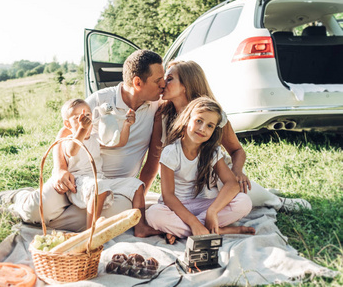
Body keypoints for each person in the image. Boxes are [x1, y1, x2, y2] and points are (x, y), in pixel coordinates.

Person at [0, 49, 166, 235]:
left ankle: (41, 219)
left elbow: (153, 159)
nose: (163, 85)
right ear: (138, 82)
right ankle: (20, 199)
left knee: (120, 213)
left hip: (114, 186)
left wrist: (136, 197)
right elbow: (65, 131)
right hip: (78, 178)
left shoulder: (156, 108)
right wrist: (60, 169)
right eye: (157, 80)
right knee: (37, 208)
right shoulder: (100, 100)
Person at [150, 60, 311, 211]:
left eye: (169, 79)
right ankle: (262, 193)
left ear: (186, 85)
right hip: (182, 186)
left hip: (215, 181)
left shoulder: (214, 116)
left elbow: (237, 150)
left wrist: (237, 171)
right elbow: (155, 159)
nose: (163, 83)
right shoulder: (162, 116)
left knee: (241, 193)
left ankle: (277, 202)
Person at [146, 97, 255, 244]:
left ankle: (183, 231)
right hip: (177, 207)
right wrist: (194, 223)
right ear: (186, 119)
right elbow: (168, 196)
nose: (203, 129)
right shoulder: (171, 152)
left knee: (244, 202)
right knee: (153, 214)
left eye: (210, 126)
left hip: (204, 204)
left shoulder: (213, 151)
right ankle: (216, 230)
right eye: (199, 121)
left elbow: (232, 184)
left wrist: (213, 211)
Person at [59, 98, 143, 228]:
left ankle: (141, 227)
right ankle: (91, 231)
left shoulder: (94, 138)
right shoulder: (68, 140)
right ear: (68, 124)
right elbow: (72, 151)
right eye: (77, 118)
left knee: (136, 185)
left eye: (87, 115)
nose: (84, 120)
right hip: (79, 183)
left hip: (100, 180)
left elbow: (119, 142)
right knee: (99, 186)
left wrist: (127, 125)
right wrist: (82, 129)